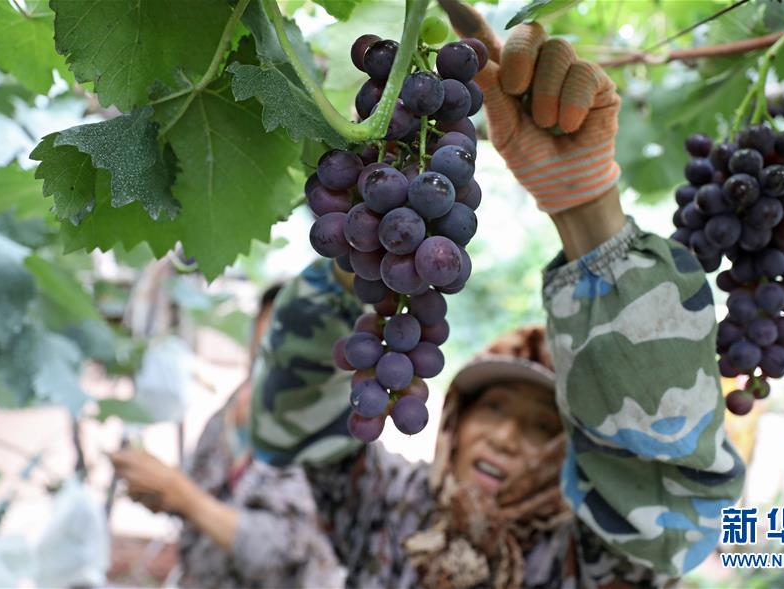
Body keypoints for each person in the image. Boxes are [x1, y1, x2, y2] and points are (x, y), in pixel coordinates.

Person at [248, 7, 746, 589]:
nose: (507, 437)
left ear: (578, 448)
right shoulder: (388, 506)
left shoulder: (594, 561)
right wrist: (370, 238)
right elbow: (292, 417)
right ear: (456, 419)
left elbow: (678, 511)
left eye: (541, 427)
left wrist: (586, 211)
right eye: (496, 408)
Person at [110, 284, 344, 589]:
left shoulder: (326, 435)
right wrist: (159, 492)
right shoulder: (231, 412)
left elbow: (279, 550)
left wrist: (181, 493)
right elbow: (198, 491)